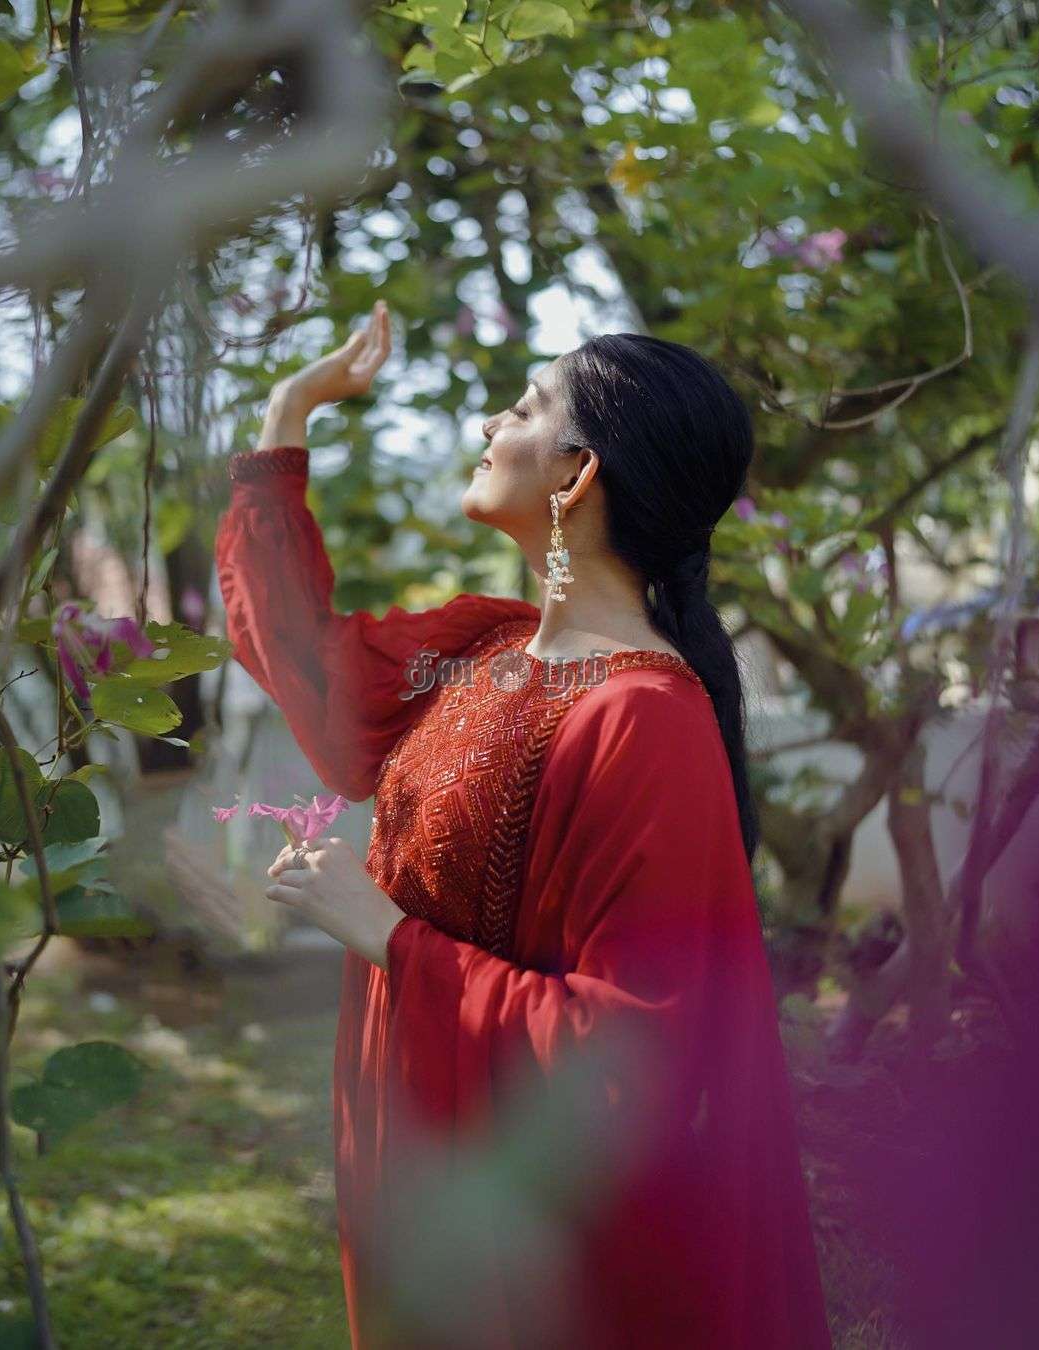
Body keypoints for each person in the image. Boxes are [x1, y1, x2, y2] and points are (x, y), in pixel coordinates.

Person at [214, 298, 832, 1349]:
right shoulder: (486, 651)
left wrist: (387, 934)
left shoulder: (642, 720)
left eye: (526, 408)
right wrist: (289, 409)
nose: (490, 424)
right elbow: (305, 658)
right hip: (417, 1157)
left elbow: (630, 1057)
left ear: (578, 475)